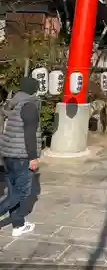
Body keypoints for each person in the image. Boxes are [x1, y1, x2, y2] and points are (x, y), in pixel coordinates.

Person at [0, 77, 41, 237]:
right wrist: (33, 157)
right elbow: (29, 134)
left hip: (8, 154)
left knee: (13, 192)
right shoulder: (29, 105)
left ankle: (18, 224)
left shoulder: (14, 103)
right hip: (21, 156)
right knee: (21, 193)